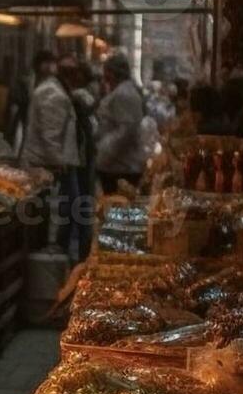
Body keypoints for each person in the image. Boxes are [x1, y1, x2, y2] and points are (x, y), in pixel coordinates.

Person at [20, 54, 82, 258]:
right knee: (62, 207)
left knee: (61, 207)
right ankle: (54, 249)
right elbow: (50, 135)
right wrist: (58, 162)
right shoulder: (54, 95)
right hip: (48, 163)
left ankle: (54, 247)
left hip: (52, 162)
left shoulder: (57, 91)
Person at [94, 54, 148, 193]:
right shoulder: (122, 91)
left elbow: (126, 131)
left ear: (112, 72)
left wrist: (103, 151)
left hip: (121, 166)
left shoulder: (124, 94)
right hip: (118, 164)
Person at [62, 58, 99, 258]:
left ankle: (79, 249)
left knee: (79, 204)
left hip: (82, 158)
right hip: (80, 158)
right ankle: (79, 249)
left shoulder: (78, 96)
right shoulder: (78, 97)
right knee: (79, 204)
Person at [6, 51, 55, 150]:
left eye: (51, 63)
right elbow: (15, 102)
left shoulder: (52, 82)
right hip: (25, 120)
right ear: (38, 64)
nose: (49, 67)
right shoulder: (25, 81)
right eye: (46, 63)